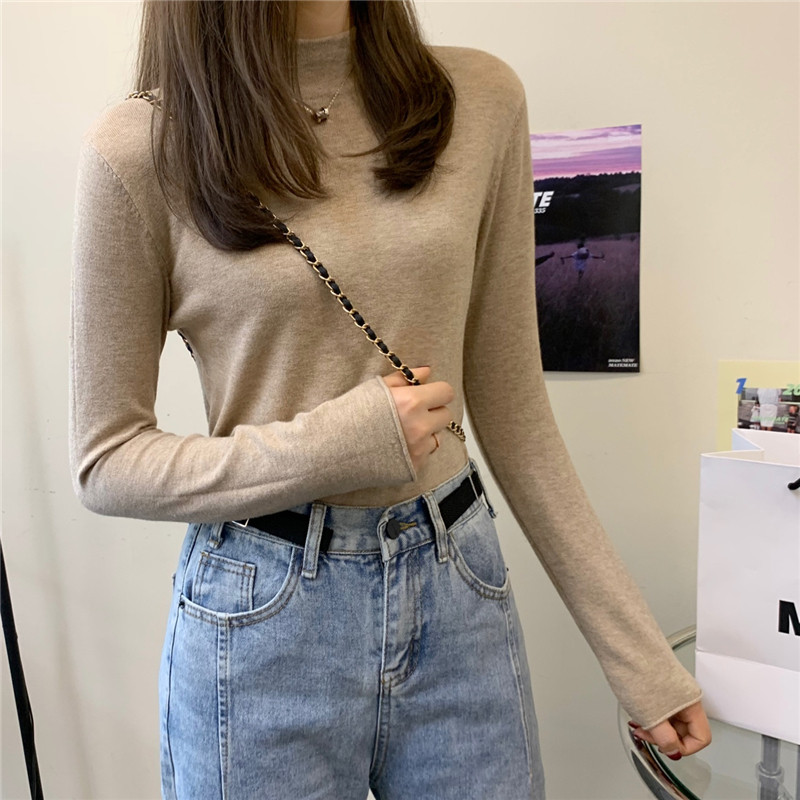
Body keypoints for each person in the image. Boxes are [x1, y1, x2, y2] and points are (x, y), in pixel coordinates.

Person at [69, 2, 710, 798]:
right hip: (261, 618)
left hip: (457, 589)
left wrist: (639, 658)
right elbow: (107, 462)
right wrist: (343, 444)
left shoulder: (479, 101)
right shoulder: (141, 147)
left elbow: (516, 414)